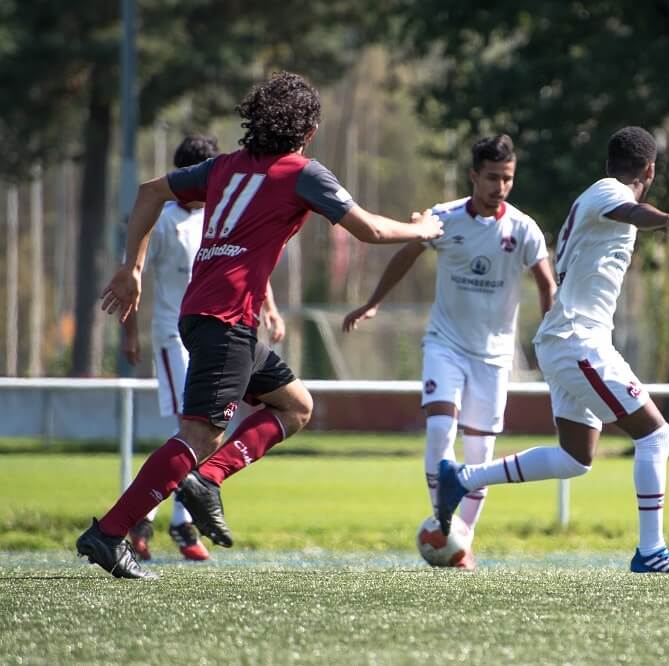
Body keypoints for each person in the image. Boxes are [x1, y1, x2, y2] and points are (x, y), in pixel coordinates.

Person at [76, 71, 443, 579]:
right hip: (223, 321)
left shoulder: (224, 166)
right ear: (308, 130)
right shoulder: (303, 172)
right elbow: (371, 229)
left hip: (217, 318)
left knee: (296, 406)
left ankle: (207, 479)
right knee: (198, 434)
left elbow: (149, 191)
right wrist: (423, 229)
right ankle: (111, 532)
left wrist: (132, 268)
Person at [436, 127, 669, 573]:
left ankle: (462, 478)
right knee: (656, 434)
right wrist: (668, 220)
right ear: (650, 171)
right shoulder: (609, 192)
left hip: (564, 341)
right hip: (579, 339)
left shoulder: (597, 194)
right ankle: (652, 552)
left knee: (576, 458)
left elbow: (627, 214)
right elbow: (633, 210)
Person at [342, 135, 556, 569]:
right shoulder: (444, 218)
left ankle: (462, 540)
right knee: (440, 429)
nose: (500, 186)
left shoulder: (523, 228)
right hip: (446, 345)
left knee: (479, 457)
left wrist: (549, 341)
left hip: (494, 357)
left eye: (508, 178)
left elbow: (547, 284)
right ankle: (442, 518)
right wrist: (374, 301)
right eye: (493, 177)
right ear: (474, 176)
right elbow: (406, 253)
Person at [122, 135, 287, 562]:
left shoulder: (221, 216)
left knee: (199, 432)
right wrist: (129, 331)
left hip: (219, 330)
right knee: (193, 429)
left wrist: (269, 309)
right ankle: (145, 521)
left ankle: (177, 522)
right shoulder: (165, 221)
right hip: (172, 332)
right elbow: (135, 268)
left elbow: (246, 263)